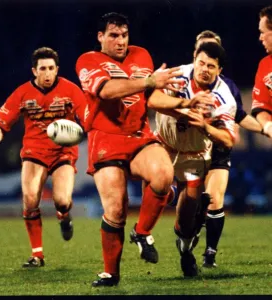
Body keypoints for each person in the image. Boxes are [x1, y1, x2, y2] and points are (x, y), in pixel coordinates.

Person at [75, 12, 212, 287]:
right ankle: (111, 274)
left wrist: (183, 106)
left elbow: (151, 98)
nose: (120, 41)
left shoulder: (141, 55)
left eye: (124, 35)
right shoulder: (87, 61)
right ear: (100, 36)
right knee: (116, 209)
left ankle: (141, 232)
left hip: (139, 134)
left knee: (163, 174)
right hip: (106, 138)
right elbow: (108, 90)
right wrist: (150, 81)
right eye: (114, 35)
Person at [0, 47, 86, 268]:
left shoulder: (71, 90)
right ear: (34, 70)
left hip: (63, 152)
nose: (48, 73)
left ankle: (64, 216)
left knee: (62, 200)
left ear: (57, 69)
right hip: (34, 152)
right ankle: (37, 255)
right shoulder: (22, 93)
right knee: (30, 200)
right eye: (43, 69)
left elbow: (88, 116)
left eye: (51, 68)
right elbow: (2, 122)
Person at [143, 41, 238, 277]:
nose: (205, 69)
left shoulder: (225, 99)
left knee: (186, 223)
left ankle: (186, 251)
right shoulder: (178, 75)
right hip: (163, 146)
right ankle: (156, 214)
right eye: (202, 63)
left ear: (219, 71)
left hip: (194, 157)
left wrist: (205, 126)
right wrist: (185, 107)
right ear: (194, 59)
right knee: (156, 190)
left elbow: (228, 139)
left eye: (211, 66)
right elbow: (153, 101)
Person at [191, 30, 264, 268]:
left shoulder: (228, 88)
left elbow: (240, 117)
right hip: (189, 150)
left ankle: (210, 252)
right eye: (205, 50)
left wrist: (265, 129)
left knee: (214, 198)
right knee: (190, 203)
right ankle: (188, 238)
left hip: (218, 148)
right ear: (196, 53)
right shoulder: (180, 79)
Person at [252, 6, 272, 139]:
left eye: (262, 32)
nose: (260, 38)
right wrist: (268, 126)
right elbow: (261, 107)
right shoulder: (265, 66)